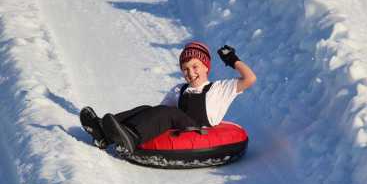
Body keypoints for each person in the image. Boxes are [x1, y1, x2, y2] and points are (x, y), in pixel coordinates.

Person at [80, 42, 256, 154]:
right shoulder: (179, 89)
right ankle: (102, 132)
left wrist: (232, 59)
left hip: (197, 130)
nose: (190, 72)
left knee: (168, 113)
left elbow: (250, 79)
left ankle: (131, 139)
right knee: (147, 109)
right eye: (185, 68)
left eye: (195, 66)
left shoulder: (219, 89)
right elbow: (157, 114)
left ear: (206, 67)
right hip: (179, 126)